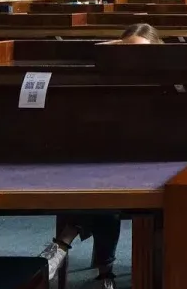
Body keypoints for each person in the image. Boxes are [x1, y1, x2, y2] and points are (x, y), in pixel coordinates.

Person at [38, 24, 161, 289]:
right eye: (126, 52)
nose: (133, 59)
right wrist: (116, 48)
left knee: (107, 192)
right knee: (106, 196)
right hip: (112, 163)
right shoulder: (108, 76)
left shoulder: (163, 79)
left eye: (141, 53)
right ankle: (105, 273)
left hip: (148, 164)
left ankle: (65, 241)